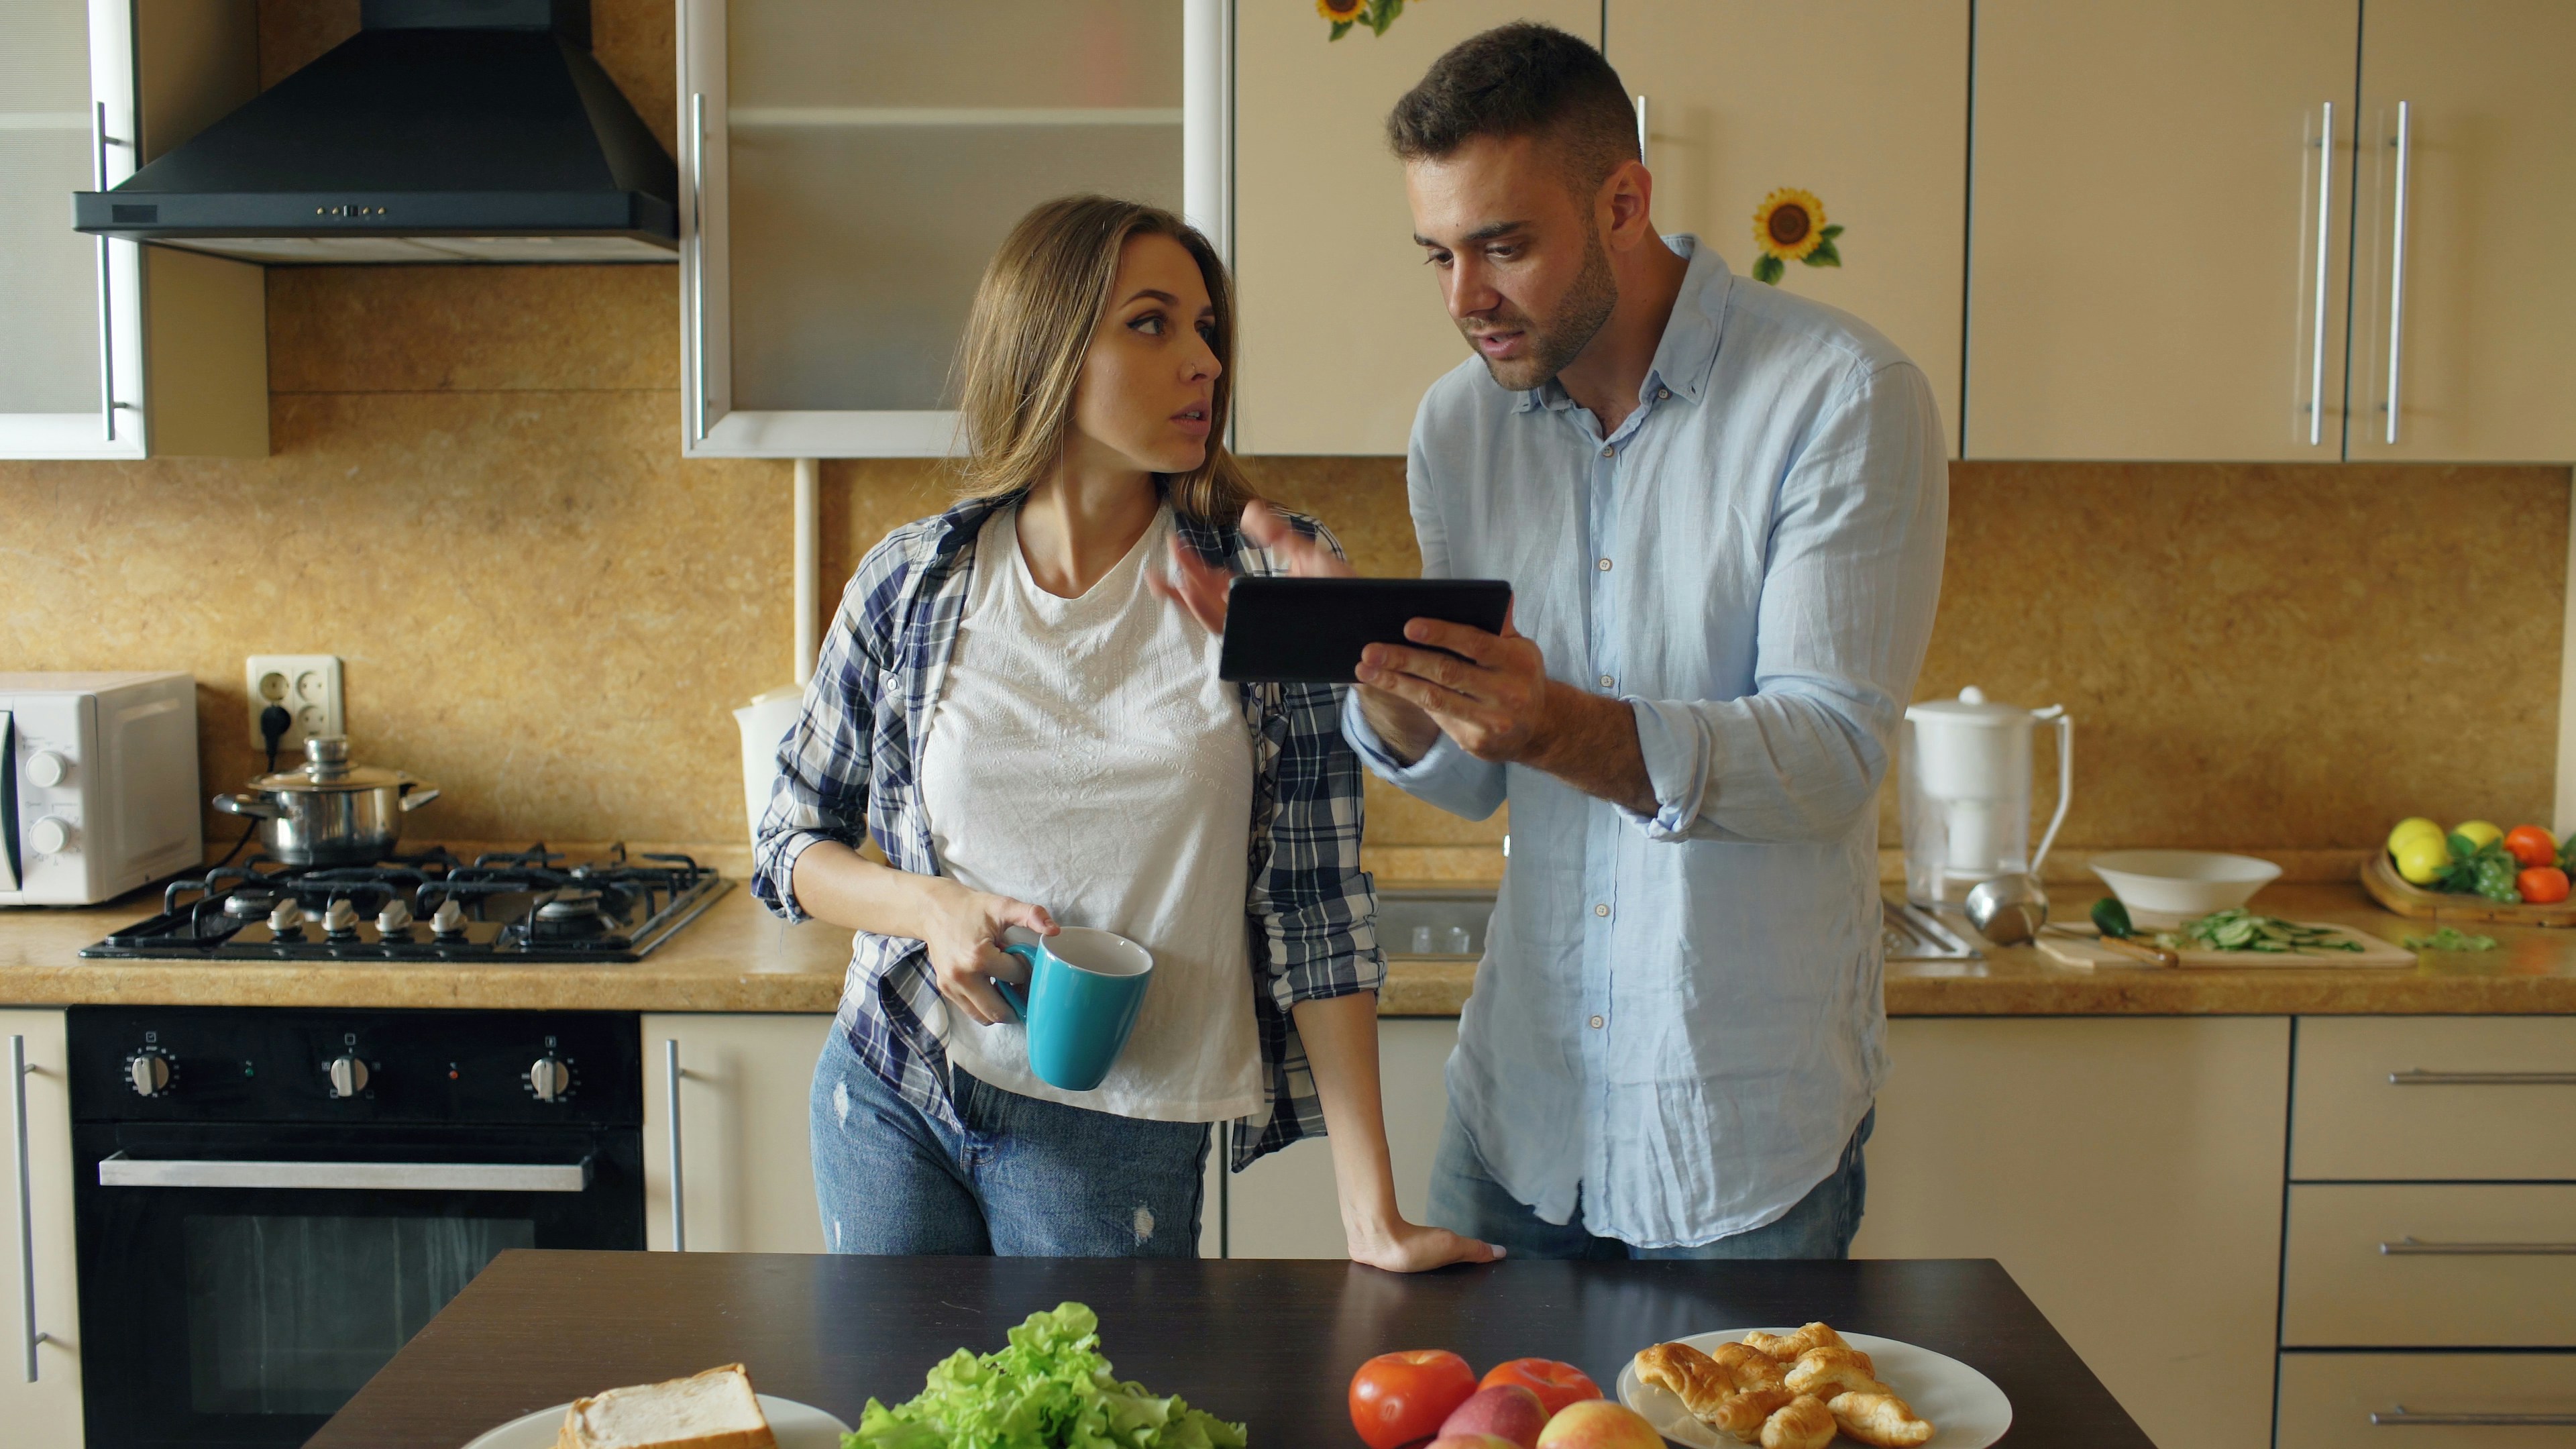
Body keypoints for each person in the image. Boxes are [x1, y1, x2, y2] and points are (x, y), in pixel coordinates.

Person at [1166, 25, 1947, 1258]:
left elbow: (1830, 757)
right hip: (1516, 1119)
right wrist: (1386, 672)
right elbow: (1479, 779)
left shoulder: (1839, 398)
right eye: (1438, 255)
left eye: (1504, 246)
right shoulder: (1459, 429)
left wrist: (1555, 726)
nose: (1464, 298)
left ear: (1624, 203)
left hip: (1739, 1141)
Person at [751, 195, 1497, 1271]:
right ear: (1048, 348)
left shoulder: (1264, 580)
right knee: (894, 1384)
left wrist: (1370, 1212)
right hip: (895, 1082)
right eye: (1151, 323)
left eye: (1207, 329)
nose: (1204, 361)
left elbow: (1317, 901)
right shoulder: (916, 581)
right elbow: (788, 840)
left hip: (1123, 1123)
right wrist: (930, 908)